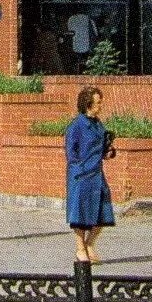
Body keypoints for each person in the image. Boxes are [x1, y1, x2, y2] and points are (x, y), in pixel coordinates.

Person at [64, 85, 115, 264]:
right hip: (82, 174)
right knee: (80, 213)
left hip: (97, 172)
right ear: (88, 104)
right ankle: (80, 249)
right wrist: (79, 169)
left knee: (103, 210)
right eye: (98, 102)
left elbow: (100, 147)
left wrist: (108, 151)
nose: (100, 106)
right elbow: (71, 152)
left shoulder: (98, 123)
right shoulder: (77, 125)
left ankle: (89, 243)